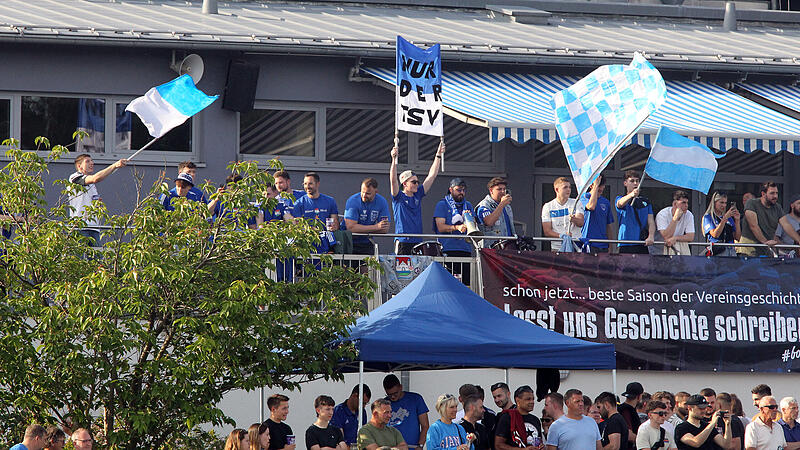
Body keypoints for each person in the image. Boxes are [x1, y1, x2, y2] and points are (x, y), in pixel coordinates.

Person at [389, 141, 445, 254]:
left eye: (417, 182)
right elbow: (393, 180)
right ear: (404, 184)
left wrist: (438, 155)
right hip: (403, 241)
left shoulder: (418, 194)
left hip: (418, 240)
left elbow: (432, 175)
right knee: (402, 272)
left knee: (418, 271)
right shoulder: (398, 197)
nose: (416, 184)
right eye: (413, 182)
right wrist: (394, 159)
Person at [68, 154, 128, 246]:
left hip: (94, 227)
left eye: (92, 161)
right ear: (79, 166)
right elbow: (96, 178)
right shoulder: (74, 177)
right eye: (87, 161)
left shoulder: (92, 185)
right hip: (79, 226)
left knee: (96, 258)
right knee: (77, 258)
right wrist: (114, 165)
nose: (92, 163)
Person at [292, 172, 339, 254]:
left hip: (327, 244)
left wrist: (334, 226)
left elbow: (335, 221)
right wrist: (312, 230)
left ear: (318, 184)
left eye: (310, 183)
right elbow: (298, 226)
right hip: (307, 244)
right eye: (305, 184)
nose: (307, 186)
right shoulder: (298, 203)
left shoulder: (330, 201)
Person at [344, 178, 391, 255]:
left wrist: (360, 228)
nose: (364, 195)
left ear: (376, 192)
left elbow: (384, 229)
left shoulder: (382, 202)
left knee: (367, 266)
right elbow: (351, 227)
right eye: (362, 192)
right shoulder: (353, 200)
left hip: (366, 241)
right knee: (347, 266)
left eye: (368, 193)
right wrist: (376, 227)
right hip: (349, 241)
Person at [383, 374, 430, 449]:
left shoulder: (416, 399)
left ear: (401, 387)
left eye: (395, 393)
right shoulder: (384, 403)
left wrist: (420, 445)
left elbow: (425, 426)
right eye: (389, 394)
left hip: (412, 447)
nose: (392, 397)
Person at [615, 171, 655, 254]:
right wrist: (631, 195)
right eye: (632, 181)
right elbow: (619, 204)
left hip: (642, 242)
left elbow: (651, 221)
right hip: (625, 243)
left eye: (637, 181)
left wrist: (651, 235)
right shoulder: (620, 198)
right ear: (625, 183)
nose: (635, 183)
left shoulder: (646, 202)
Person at [434, 178, 475, 257]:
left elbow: (474, 226)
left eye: (463, 190)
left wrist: (469, 219)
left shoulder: (468, 205)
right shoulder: (442, 204)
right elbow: (440, 227)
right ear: (450, 190)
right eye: (458, 190)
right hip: (447, 248)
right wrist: (457, 227)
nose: (462, 193)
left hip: (465, 248)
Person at [740, 181, 783, 256]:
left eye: (776, 193)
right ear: (763, 194)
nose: (775, 196)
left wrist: (798, 239)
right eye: (772, 193)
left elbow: (786, 224)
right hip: (749, 252)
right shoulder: (751, 203)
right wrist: (765, 242)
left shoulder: (777, 207)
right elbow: (754, 226)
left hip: (766, 251)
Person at [541, 177, 585, 251]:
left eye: (569, 187)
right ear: (557, 190)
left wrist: (574, 219)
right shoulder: (548, 206)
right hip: (557, 248)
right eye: (565, 187)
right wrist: (561, 236)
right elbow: (547, 231)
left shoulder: (576, 203)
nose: (568, 190)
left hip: (576, 247)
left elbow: (581, 223)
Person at [494, 385, 544, 450]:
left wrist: (542, 447)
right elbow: (498, 445)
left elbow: (538, 441)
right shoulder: (507, 418)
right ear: (517, 400)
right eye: (528, 399)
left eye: (533, 399)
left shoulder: (535, 420)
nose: (532, 402)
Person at [476, 177, 515, 248]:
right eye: (499, 189)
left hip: (507, 247)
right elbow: (489, 222)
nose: (503, 192)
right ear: (491, 190)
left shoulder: (507, 206)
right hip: (491, 250)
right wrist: (501, 204)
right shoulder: (484, 205)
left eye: (504, 189)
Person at [580, 175, 614, 254]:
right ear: (591, 185)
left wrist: (610, 246)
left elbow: (608, 226)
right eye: (599, 186)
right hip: (588, 243)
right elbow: (591, 206)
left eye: (602, 186)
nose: (601, 189)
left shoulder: (605, 202)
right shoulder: (584, 197)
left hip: (603, 244)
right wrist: (595, 185)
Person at [702, 191, 741, 257]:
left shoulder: (729, 218)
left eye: (725, 203)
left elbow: (737, 237)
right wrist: (724, 218)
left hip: (731, 250)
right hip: (717, 250)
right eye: (721, 202)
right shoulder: (708, 217)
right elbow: (715, 234)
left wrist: (737, 220)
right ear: (714, 203)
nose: (724, 205)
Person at [656, 190, 695, 256]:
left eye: (687, 203)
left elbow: (690, 237)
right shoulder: (662, 214)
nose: (686, 205)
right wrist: (675, 218)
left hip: (678, 248)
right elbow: (666, 236)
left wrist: (675, 238)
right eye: (683, 203)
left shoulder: (689, 214)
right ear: (674, 204)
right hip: (660, 250)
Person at [619, 382, 643, 450]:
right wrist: (643, 441)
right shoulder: (626, 410)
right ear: (639, 396)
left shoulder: (622, 409)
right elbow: (628, 434)